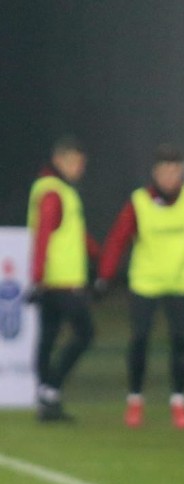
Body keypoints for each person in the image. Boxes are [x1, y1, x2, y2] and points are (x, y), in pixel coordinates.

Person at [97, 143, 184, 429]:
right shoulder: (139, 201)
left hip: (179, 283)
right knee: (139, 340)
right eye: (165, 172)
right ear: (155, 173)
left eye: (175, 171)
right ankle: (135, 399)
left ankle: (179, 402)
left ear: (182, 173)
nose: (170, 178)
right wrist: (105, 275)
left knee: (179, 342)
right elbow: (117, 239)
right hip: (144, 282)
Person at [26, 135, 100, 422]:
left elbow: (72, 233)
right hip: (60, 280)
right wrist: (38, 276)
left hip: (53, 280)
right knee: (85, 332)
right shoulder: (55, 192)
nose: (79, 168)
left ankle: (46, 400)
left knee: (48, 337)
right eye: (75, 162)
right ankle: (50, 389)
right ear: (60, 160)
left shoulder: (54, 189)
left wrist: (96, 253)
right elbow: (44, 235)